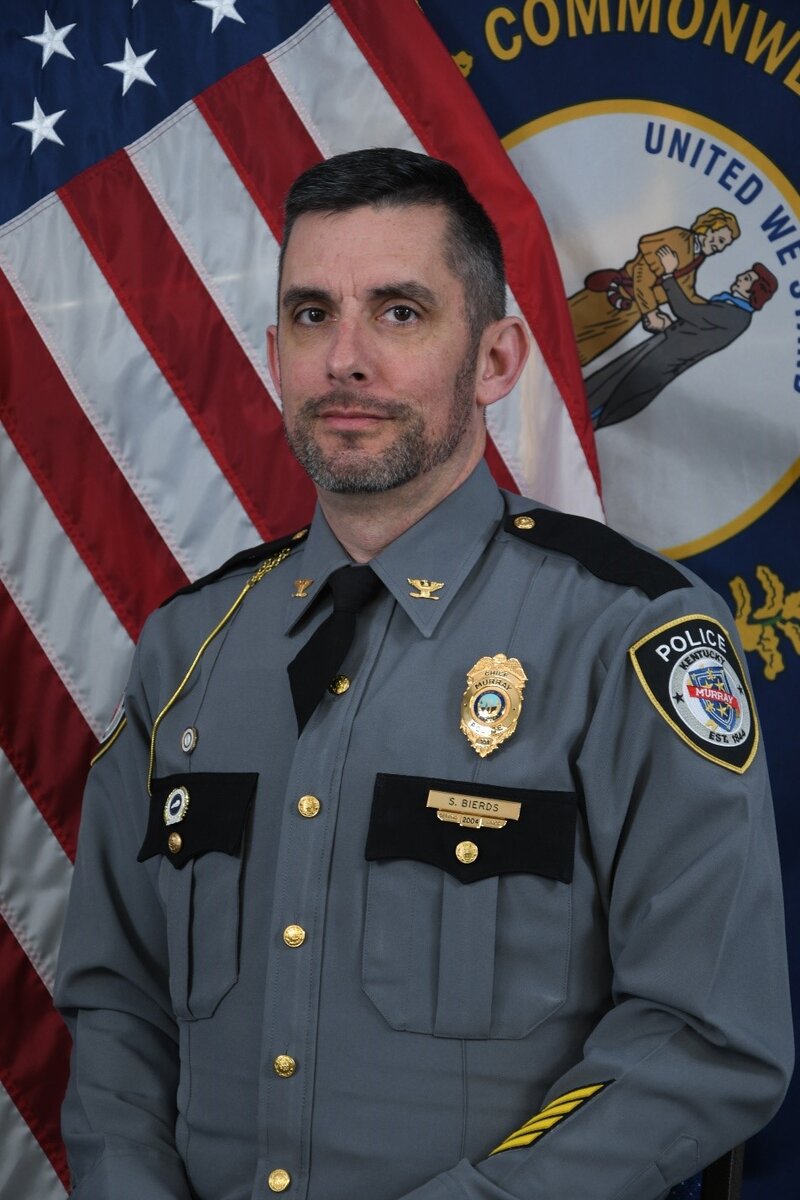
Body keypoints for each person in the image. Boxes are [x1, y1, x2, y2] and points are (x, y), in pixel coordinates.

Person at [55, 148, 792, 1200]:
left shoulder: (628, 637)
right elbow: (117, 1002)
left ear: (493, 360)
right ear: (273, 354)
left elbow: (707, 1037)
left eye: (398, 313)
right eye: (312, 316)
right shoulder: (187, 646)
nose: (344, 358)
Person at [589, 246, 778, 428]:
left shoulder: (734, 315)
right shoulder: (731, 307)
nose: (739, 277)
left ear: (753, 290)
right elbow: (698, 333)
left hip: (658, 364)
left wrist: (669, 274)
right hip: (659, 350)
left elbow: (687, 311)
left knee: (611, 397)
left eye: (746, 278)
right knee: (606, 383)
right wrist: (667, 326)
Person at [568, 207, 740, 367]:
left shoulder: (696, 257)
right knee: (557, 327)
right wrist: (651, 313)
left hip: (630, 313)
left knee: (577, 356)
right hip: (613, 298)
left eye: (725, 244)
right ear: (708, 228)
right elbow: (642, 277)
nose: (720, 247)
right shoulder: (677, 238)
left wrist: (712, 311)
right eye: (720, 239)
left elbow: (686, 293)